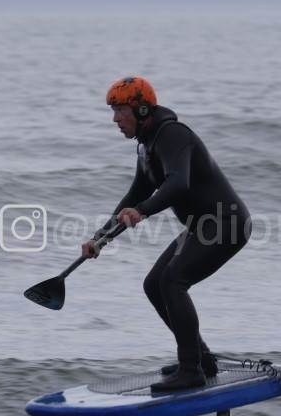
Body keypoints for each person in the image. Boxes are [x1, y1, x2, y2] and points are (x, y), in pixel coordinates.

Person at [81, 76, 251, 393]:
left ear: (142, 109)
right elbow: (134, 195)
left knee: (173, 281)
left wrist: (143, 210)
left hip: (226, 223)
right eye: (113, 112)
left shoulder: (173, 135)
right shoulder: (147, 147)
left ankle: (191, 370)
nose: (115, 119)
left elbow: (178, 183)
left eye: (120, 111)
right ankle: (201, 359)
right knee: (154, 285)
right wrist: (100, 238)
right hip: (204, 225)